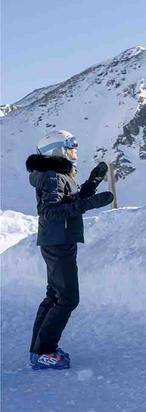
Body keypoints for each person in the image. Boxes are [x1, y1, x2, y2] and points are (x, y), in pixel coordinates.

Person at [25, 130, 114, 370]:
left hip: (58, 239)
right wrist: (87, 204)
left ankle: (39, 348)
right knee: (67, 298)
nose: (75, 151)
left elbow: (67, 201)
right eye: (70, 147)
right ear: (57, 150)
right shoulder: (52, 175)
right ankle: (44, 351)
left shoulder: (57, 174)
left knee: (55, 295)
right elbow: (50, 212)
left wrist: (91, 185)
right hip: (57, 240)